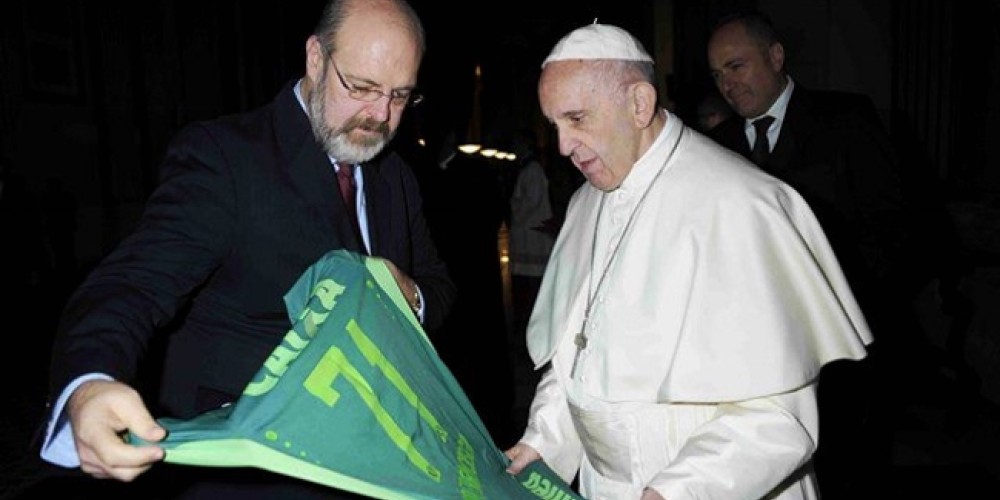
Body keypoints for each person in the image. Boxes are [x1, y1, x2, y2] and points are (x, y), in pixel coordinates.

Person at [38, 0, 455, 498]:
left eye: (401, 96)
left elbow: (437, 286)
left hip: (371, 458)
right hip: (250, 470)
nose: (381, 115)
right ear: (316, 59)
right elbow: (133, 282)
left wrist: (410, 296)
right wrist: (89, 382)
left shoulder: (396, 176)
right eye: (362, 88)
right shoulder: (226, 157)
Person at [503, 23, 873, 499]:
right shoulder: (586, 202)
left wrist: (674, 493)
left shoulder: (740, 203)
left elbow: (779, 421)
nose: (562, 146)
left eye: (577, 119)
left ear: (639, 103)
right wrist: (542, 443)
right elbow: (576, 353)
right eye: (554, 125)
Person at [705, 10, 912, 497]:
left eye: (736, 66)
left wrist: (849, 310)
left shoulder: (846, 120)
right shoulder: (717, 147)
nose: (727, 85)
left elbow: (895, 228)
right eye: (717, 75)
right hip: (756, 358)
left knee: (849, 470)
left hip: (843, 350)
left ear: (776, 57)